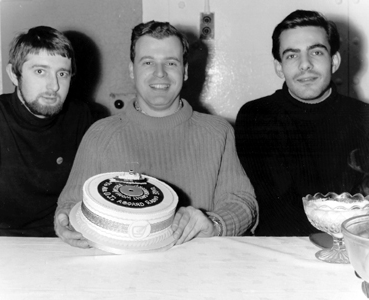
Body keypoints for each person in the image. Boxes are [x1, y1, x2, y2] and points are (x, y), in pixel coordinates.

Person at [55, 20, 258, 248]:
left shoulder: (218, 132)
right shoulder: (100, 134)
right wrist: (66, 221)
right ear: (132, 69)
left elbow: (242, 203)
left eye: (171, 63)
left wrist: (215, 224)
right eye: (148, 62)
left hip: (197, 268)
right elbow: (71, 204)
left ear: (186, 70)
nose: (160, 73)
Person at [235, 10, 369, 236]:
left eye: (316, 52)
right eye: (291, 55)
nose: (305, 64)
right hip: (280, 251)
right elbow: (278, 206)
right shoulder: (256, 116)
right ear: (279, 67)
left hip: (350, 249)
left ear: (334, 61)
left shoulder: (363, 118)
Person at [0, 26, 95, 237]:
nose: (53, 86)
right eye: (40, 71)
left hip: (60, 241)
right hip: (0, 244)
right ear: (14, 75)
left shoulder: (80, 116)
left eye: (62, 73)